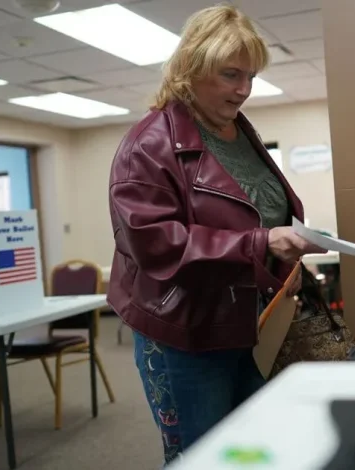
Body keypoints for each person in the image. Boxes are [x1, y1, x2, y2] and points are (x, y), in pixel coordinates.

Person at [106, 4, 325, 465]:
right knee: (203, 456)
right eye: (230, 75)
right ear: (192, 67)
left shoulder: (236, 130)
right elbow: (157, 247)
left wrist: (280, 268)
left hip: (249, 322)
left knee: (252, 453)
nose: (244, 90)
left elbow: (258, 213)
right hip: (189, 332)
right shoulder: (149, 144)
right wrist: (260, 246)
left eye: (250, 76)